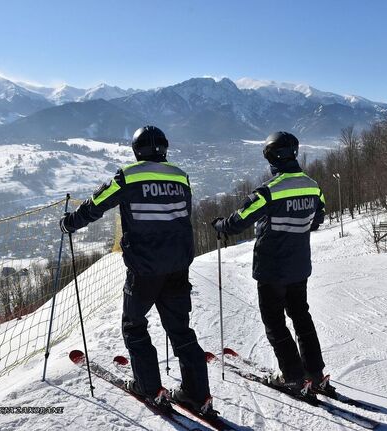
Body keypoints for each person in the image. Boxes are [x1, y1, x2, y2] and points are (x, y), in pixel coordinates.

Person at [60, 125, 213, 413]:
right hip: (178, 266)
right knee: (181, 330)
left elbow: (96, 205)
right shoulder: (181, 176)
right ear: (164, 149)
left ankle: (149, 388)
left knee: (134, 325)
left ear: (136, 150)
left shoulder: (128, 176)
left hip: (144, 268)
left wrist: (70, 223)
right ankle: (198, 394)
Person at [211, 131, 335, 396]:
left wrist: (220, 225)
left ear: (272, 158)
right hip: (299, 266)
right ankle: (315, 373)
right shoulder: (313, 186)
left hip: (271, 268)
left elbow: (239, 221)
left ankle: (293, 376)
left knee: (275, 321)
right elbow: (317, 219)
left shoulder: (269, 191)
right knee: (301, 317)